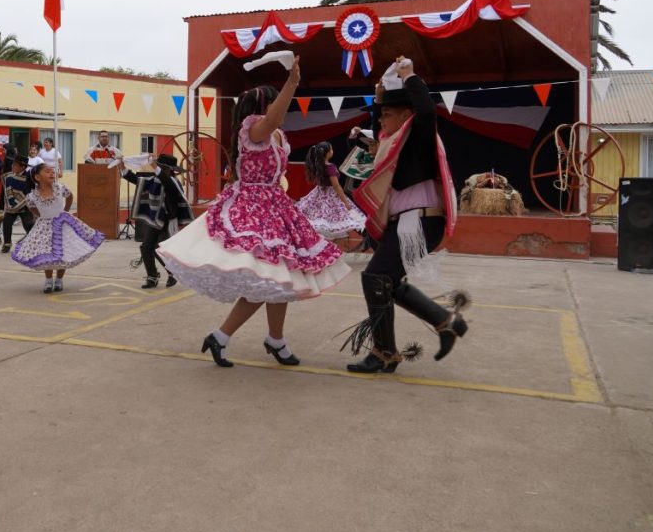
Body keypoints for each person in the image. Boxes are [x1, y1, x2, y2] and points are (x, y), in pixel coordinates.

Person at [158, 58, 351, 368]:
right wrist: (292, 83)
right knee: (269, 278)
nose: (281, 110)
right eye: (277, 103)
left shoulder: (272, 135)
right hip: (253, 210)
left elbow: (275, 130)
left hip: (275, 207)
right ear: (265, 107)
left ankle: (271, 340)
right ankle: (228, 336)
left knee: (281, 281)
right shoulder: (255, 130)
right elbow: (273, 120)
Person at [342, 57, 469, 374]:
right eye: (380, 114)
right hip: (405, 223)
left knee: (375, 278)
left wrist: (411, 77)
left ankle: (384, 352)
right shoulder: (391, 144)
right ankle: (446, 322)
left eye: (387, 113)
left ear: (406, 113)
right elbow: (379, 131)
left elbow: (426, 111)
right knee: (387, 283)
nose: (381, 119)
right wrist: (380, 93)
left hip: (421, 221)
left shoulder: (418, 135)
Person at [11, 163, 103, 293]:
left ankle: (59, 279)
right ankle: (48, 280)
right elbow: (31, 207)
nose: (52, 173)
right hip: (44, 227)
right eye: (47, 171)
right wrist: (41, 216)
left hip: (63, 224)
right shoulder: (32, 196)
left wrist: (65, 211)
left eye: (52, 171)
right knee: (47, 252)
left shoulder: (60, 188)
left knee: (63, 251)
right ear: (37, 177)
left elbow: (70, 196)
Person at [121, 153, 193, 288]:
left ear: (167, 169)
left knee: (156, 248)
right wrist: (122, 168)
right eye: (158, 166)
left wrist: (154, 166)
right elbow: (138, 180)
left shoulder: (172, 181)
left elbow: (164, 179)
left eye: (160, 166)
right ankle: (155, 276)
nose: (157, 168)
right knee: (148, 247)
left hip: (167, 220)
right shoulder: (156, 180)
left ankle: (168, 274)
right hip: (157, 219)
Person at [296, 141, 367, 240]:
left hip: (319, 193)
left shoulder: (318, 165)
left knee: (322, 217)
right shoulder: (330, 167)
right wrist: (345, 202)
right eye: (331, 149)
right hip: (331, 195)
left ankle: (326, 241)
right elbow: (336, 186)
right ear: (328, 153)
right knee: (338, 218)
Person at [0, 154, 34, 254]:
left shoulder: (29, 178)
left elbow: (29, 193)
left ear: (22, 167)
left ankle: (33, 242)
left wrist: (20, 203)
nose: (12, 166)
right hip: (11, 207)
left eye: (15, 165)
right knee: (7, 222)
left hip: (25, 206)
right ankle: (7, 244)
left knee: (28, 224)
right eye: (13, 164)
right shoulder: (9, 176)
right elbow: (7, 191)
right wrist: (11, 203)